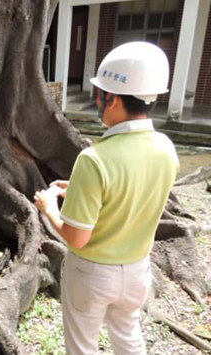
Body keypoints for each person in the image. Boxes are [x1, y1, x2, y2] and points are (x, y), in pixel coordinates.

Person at [34, 42, 180, 354]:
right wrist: (81, 188)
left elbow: (77, 238)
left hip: (92, 274)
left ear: (112, 99)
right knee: (128, 339)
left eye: (99, 94)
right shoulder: (166, 147)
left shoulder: (93, 159)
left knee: (83, 347)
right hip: (138, 272)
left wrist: (49, 209)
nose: (96, 99)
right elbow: (135, 188)